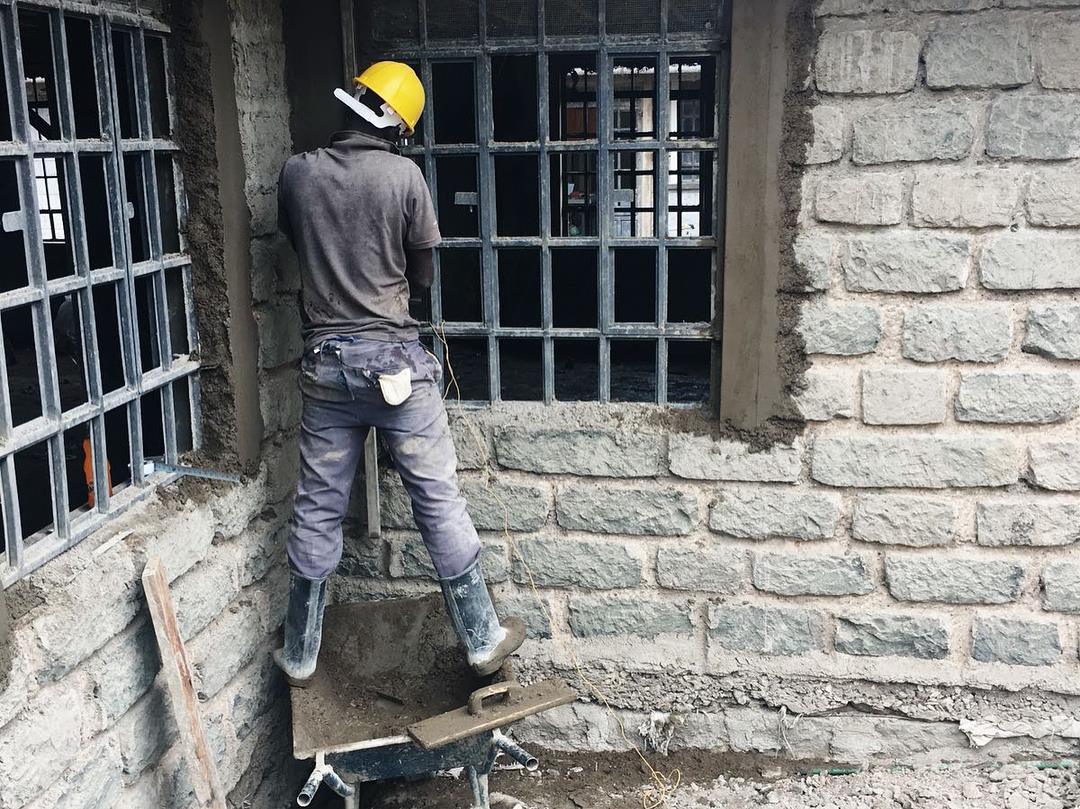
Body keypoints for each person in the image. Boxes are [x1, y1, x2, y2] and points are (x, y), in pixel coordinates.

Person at [273, 61, 524, 686]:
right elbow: (425, 272)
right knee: (437, 497)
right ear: (399, 127)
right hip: (396, 371)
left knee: (318, 505)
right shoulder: (405, 176)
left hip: (327, 370)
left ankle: (300, 654)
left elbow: (297, 243)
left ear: (352, 102)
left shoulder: (298, 173)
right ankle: (481, 638)